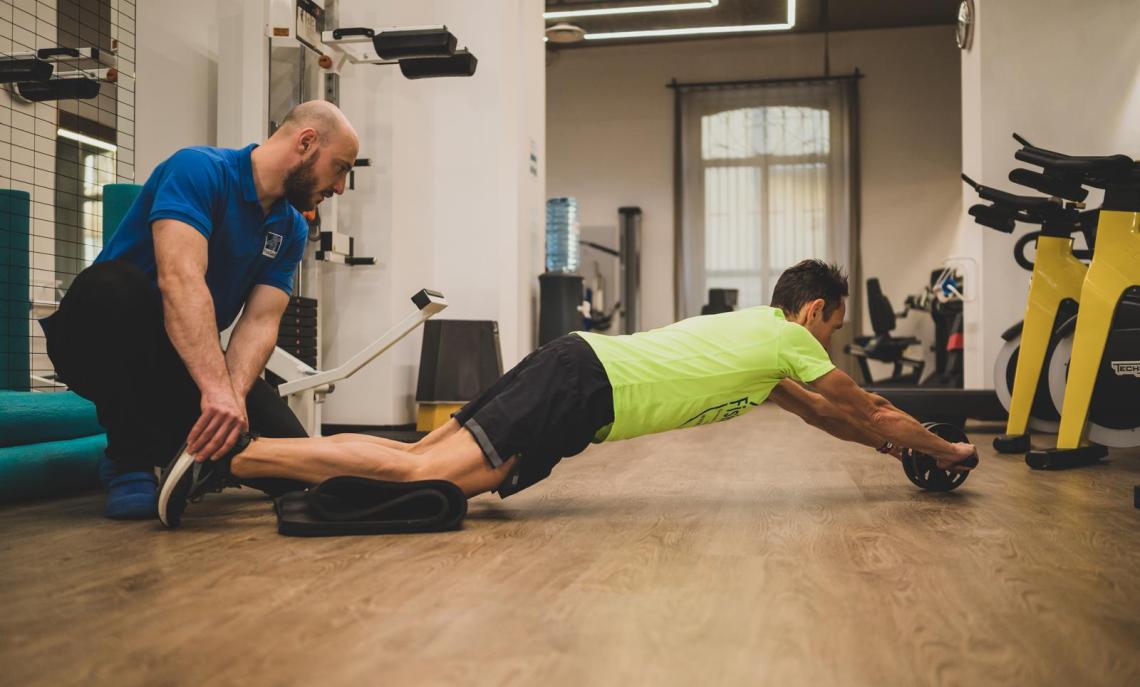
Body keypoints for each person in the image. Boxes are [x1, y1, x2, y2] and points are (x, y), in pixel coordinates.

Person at [158, 260, 980, 528]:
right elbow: (865, 404)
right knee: (425, 476)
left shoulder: (767, 354)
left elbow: (837, 418)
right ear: (815, 311)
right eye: (831, 328)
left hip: (576, 381)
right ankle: (236, 454)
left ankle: (246, 459)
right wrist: (948, 448)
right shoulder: (786, 339)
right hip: (579, 382)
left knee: (434, 473)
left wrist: (890, 446)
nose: (830, 342)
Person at [42, 101, 360, 519]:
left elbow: (261, 321)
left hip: (178, 357)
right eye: (340, 168)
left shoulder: (291, 227)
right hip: (97, 341)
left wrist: (233, 395)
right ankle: (129, 460)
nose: (339, 187)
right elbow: (180, 280)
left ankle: (200, 459)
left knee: (294, 469)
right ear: (306, 142)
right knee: (113, 285)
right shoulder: (199, 170)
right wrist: (214, 390)